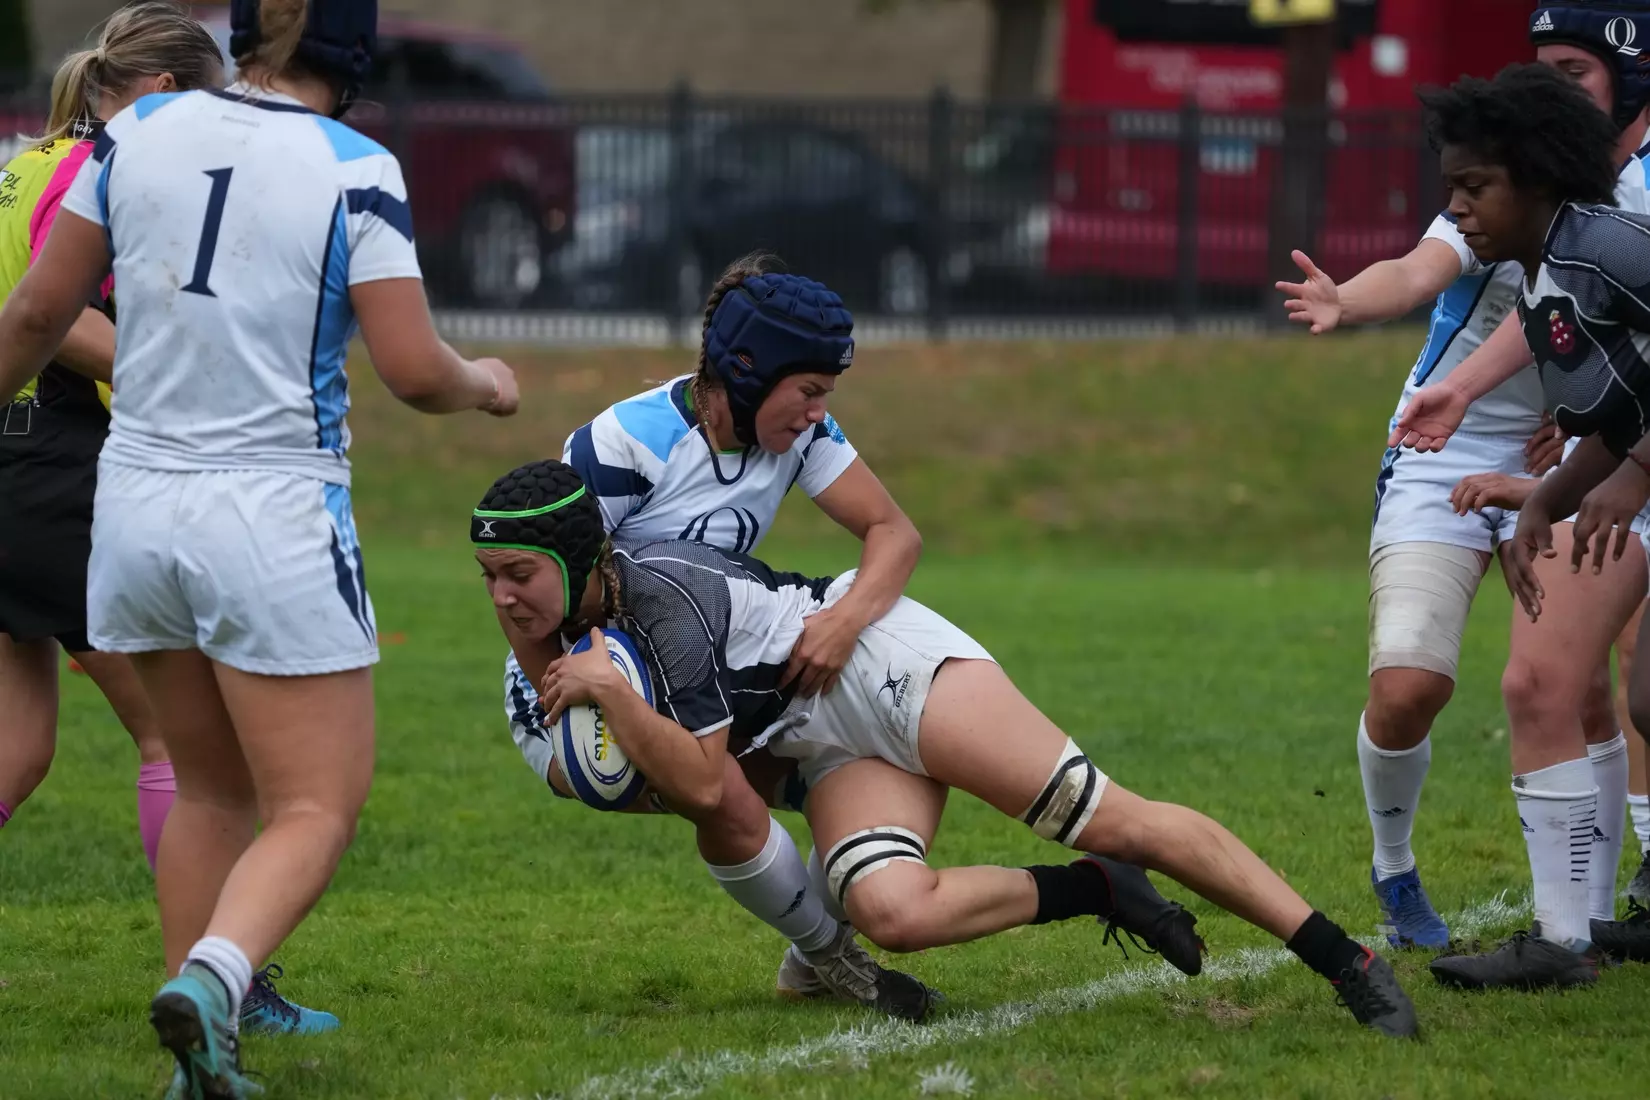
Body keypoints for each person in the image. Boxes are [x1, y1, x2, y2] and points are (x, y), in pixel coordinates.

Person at [0, 0, 519, 1093]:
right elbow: (414, 368)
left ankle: (203, 1053)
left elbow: (35, 315)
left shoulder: (134, 133)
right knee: (317, 803)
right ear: (353, 54)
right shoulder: (356, 164)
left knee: (206, 788)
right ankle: (215, 980)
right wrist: (484, 385)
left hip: (132, 507)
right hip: (273, 511)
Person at [475, 459, 1420, 1039]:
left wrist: (604, 696)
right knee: (888, 910)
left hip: (884, 671)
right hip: (826, 741)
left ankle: (1347, 963)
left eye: (521, 575)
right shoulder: (575, 620)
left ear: (582, 562)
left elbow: (704, 784)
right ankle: (1093, 888)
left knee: (1116, 814)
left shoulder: (664, 605)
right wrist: (565, 672)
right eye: (489, 578)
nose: (505, 598)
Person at [492, 264, 1201, 1020]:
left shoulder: (793, 423)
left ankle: (825, 950)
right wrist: (566, 691)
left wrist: (844, 621)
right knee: (724, 797)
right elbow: (524, 576)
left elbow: (893, 533)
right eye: (813, 389)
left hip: (710, 677)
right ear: (753, 366)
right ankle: (835, 957)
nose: (820, 410)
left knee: (820, 772)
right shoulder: (623, 444)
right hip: (580, 690)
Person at [1278, 3, 1650, 952]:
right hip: (1490, 455)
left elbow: (1580, 326)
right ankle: (1410, 875)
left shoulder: (1600, 222)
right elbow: (1431, 274)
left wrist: (1597, 455)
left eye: (1575, 69)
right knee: (1414, 687)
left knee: (1586, 689)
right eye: (1545, 69)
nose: (1461, 205)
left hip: (1595, 452)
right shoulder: (1512, 199)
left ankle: (1587, 923)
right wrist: (1351, 306)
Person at [0, 1, 334, 1038]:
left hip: (10, 459)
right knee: (184, 749)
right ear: (162, 95)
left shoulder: (20, 160)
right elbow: (56, 322)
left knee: (16, 741)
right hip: (53, 468)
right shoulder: (111, 167)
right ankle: (221, 974)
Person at [1414, 60, 1650, 989]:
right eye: (1449, 190)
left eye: (1475, 187)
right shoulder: (1548, 278)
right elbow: (1625, 401)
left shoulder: (1611, 246)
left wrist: (1633, 474)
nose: (1458, 209)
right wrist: (1546, 502)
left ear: (1541, 179)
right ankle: (1562, 944)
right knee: (1618, 699)